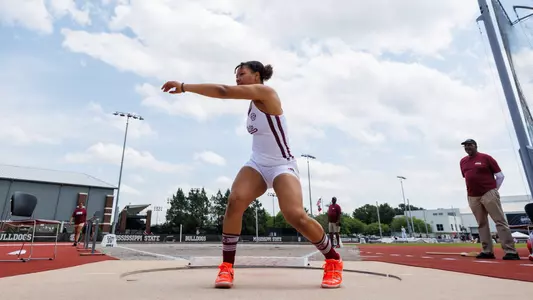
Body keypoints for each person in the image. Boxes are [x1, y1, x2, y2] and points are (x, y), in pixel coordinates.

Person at [161, 61, 343, 289]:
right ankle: (226, 268)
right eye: (236, 75)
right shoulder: (251, 103)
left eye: (242, 74)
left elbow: (223, 91)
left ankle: (333, 260)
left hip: (282, 165)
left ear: (257, 76)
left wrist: (185, 86)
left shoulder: (266, 92)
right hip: (257, 163)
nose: (237, 78)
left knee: (295, 215)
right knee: (234, 202)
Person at [459, 139, 520, 260]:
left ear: (475, 146)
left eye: (470, 145)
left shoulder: (486, 158)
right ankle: (487, 251)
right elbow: (467, 177)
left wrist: (493, 190)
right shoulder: (463, 161)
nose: (467, 147)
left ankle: (510, 251)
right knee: (481, 223)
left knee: (500, 221)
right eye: (465, 146)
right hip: (473, 196)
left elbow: (500, 176)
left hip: (488, 193)